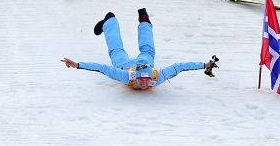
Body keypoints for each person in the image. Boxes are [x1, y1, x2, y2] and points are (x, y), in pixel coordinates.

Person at [61, 9, 218, 90]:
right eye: (141, 79)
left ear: (151, 76)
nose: (144, 83)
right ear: (135, 76)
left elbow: (180, 67)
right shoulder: (125, 75)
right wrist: (78, 65)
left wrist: (205, 65)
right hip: (124, 64)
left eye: (145, 79)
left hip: (143, 63)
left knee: (146, 52)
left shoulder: (156, 76)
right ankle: (110, 20)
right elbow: (102, 69)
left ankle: (143, 20)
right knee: (118, 51)